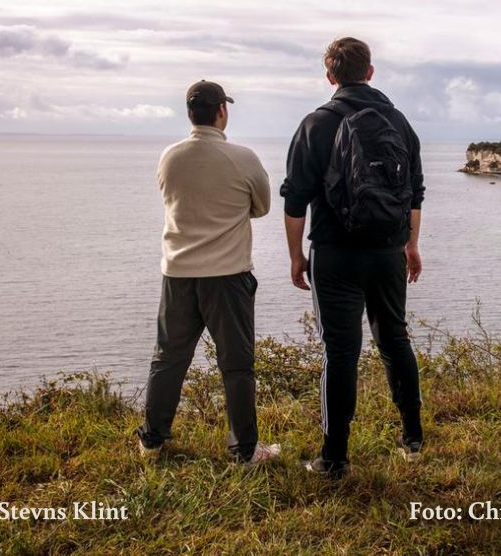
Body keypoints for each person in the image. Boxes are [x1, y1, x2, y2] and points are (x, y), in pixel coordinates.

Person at [281, 38, 425, 478]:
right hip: (387, 251)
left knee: (340, 352)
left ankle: (334, 457)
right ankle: (413, 438)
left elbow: (294, 200)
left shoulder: (315, 124)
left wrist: (295, 258)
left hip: (335, 254)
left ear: (330, 77)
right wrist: (411, 245)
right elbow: (414, 192)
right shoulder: (399, 123)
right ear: (371, 71)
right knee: (394, 338)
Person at [136, 80, 280, 465]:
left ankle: (152, 440)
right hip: (228, 275)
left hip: (178, 273)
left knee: (168, 358)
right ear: (221, 111)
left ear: (189, 113)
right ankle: (245, 450)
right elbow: (262, 206)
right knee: (236, 365)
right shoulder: (243, 157)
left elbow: (173, 199)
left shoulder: (170, 157)